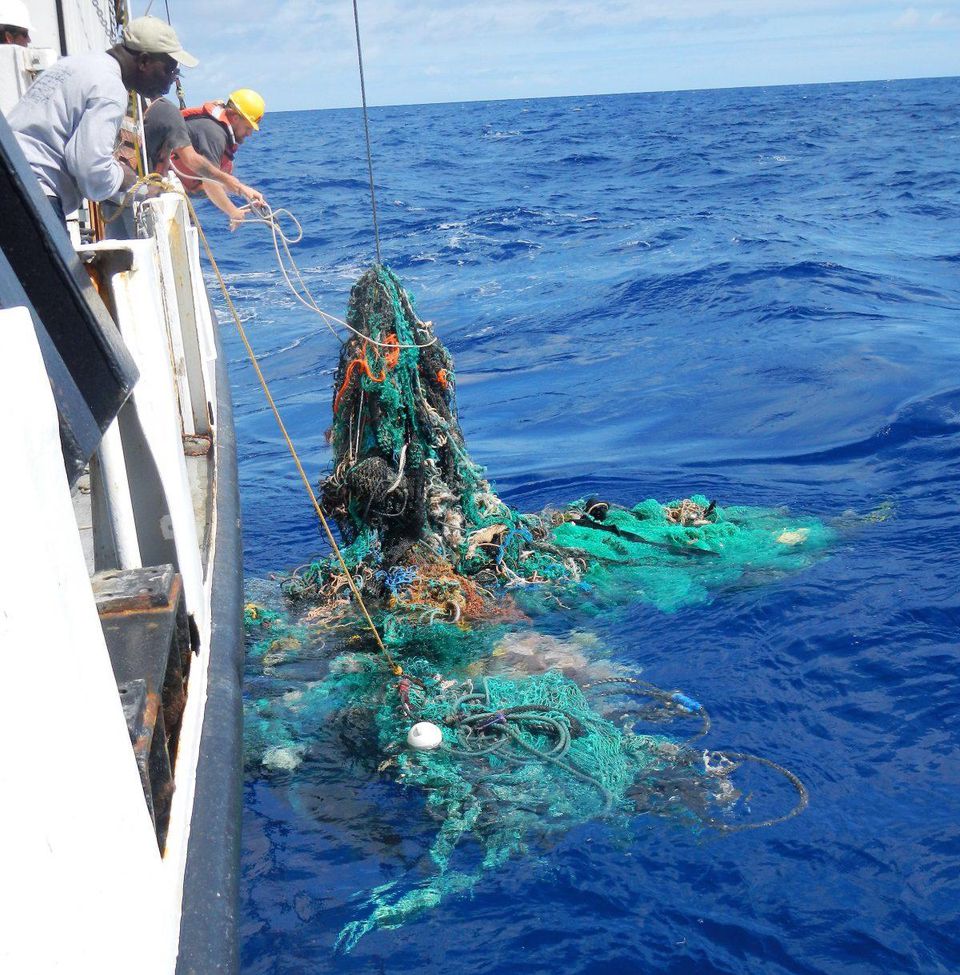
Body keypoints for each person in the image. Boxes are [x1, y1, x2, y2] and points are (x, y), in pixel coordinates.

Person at [7, 15, 196, 225]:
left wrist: (136, 190)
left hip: (11, 178)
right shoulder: (110, 88)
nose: (171, 81)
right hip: (31, 195)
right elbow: (90, 170)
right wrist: (125, 177)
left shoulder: (75, 64)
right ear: (144, 61)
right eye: (169, 70)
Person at [143, 94, 264, 219]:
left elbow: (215, 177)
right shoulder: (215, 135)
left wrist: (244, 191)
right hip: (151, 174)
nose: (249, 134)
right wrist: (232, 212)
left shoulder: (217, 130)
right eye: (248, 128)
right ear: (235, 118)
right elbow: (209, 182)